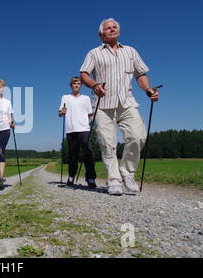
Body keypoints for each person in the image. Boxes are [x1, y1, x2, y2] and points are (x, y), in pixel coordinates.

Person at [79, 18, 159, 196]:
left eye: (115, 27)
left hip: (127, 102)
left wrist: (148, 90)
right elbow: (84, 74)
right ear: (101, 34)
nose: (112, 30)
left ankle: (127, 173)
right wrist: (94, 85)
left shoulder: (130, 51)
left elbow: (141, 74)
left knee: (138, 136)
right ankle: (113, 180)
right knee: (108, 143)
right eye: (108, 28)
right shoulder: (94, 53)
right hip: (103, 105)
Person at [58, 77, 97, 188]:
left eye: (79, 83)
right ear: (71, 85)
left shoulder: (86, 98)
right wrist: (62, 112)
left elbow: (90, 114)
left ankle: (90, 178)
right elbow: (60, 113)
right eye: (75, 83)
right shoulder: (65, 97)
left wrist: (96, 123)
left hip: (84, 129)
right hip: (71, 129)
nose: (77, 85)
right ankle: (71, 176)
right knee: (72, 155)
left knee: (88, 154)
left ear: (81, 86)